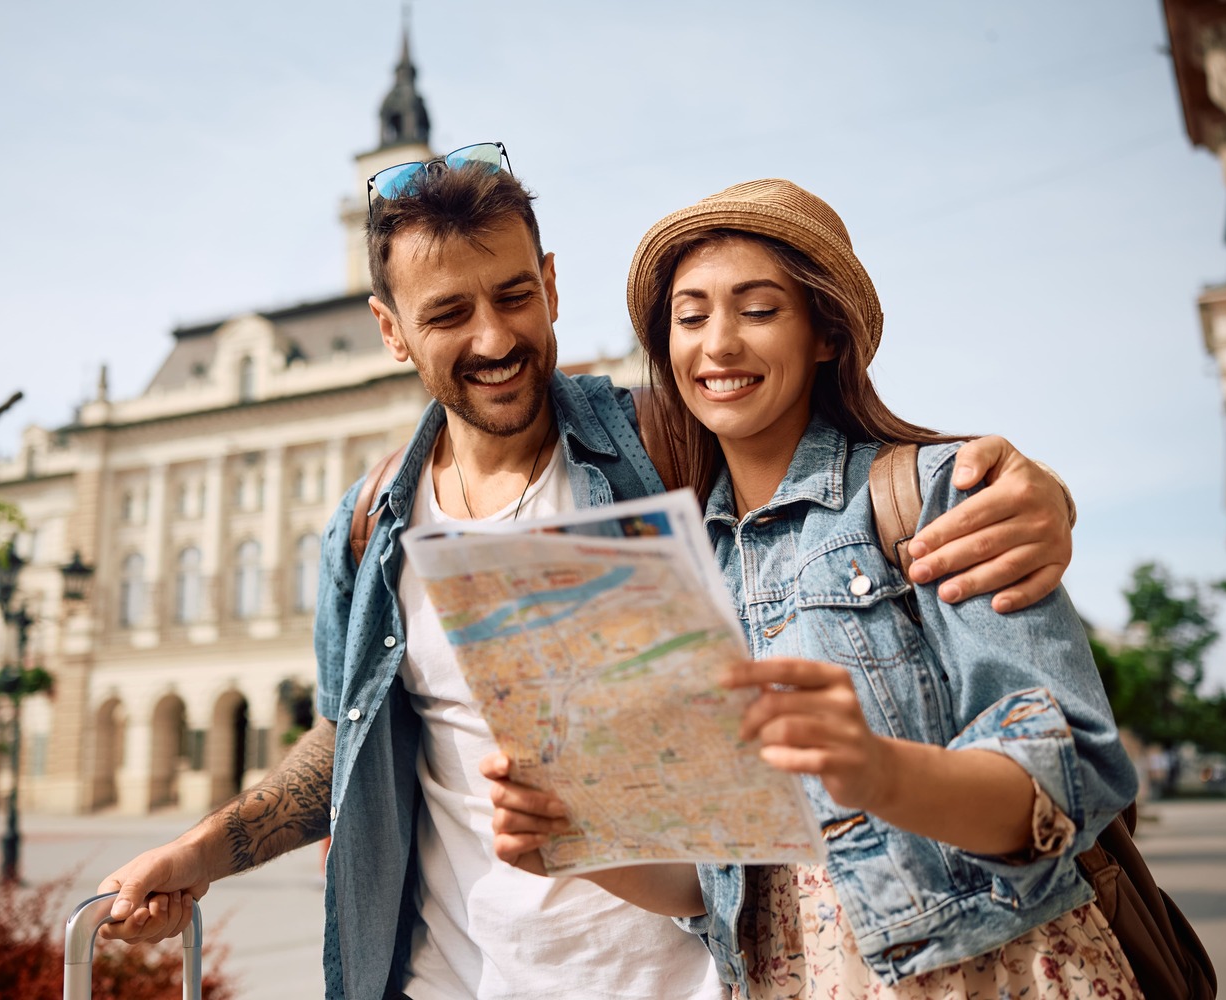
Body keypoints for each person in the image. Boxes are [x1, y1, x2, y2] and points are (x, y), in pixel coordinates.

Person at [96, 152, 1079, 1000]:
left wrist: (1037, 496)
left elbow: (831, 464)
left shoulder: (665, 439)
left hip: (678, 972)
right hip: (453, 972)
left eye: (514, 295)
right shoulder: (367, 525)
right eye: (448, 313)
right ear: (391, 329)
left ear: (553, 284)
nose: (493, 338)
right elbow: (348, 739)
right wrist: (203, 850)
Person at [485, 179, 1139, 998]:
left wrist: (876, 771)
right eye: (689, 318)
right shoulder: (684, 574)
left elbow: (1075, 780)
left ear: (826, 333)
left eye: (758, 310)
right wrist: (580, 843)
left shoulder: (939, 495)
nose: (716, 345)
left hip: (985, 971)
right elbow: (717, 881)